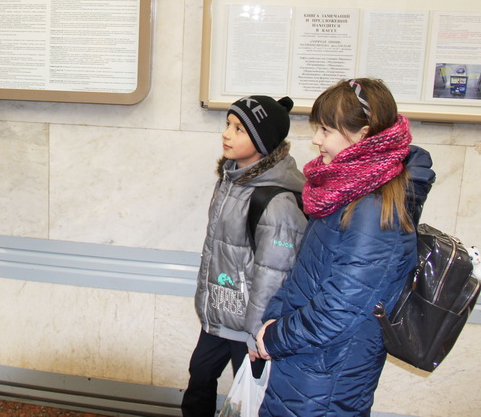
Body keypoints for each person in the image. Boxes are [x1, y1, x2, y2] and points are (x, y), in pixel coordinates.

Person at [256, 78, 436, 416]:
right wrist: (270, 324)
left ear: (363, 134)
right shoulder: (344, 193)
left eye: (326, 130)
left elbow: (340, 310)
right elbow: (305, 275)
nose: (316, 140)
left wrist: (276, 337)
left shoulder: (373, 210)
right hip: (308, 360)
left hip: (328, 374)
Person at [182, 96, 308, 417]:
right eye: (228, 124)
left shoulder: (276, 201)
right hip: (219, 314)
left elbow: (273, 274)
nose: (226, 134)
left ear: (263, 142)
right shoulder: (230, 180)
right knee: (199, 384)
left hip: (249, 326)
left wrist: (256, 333)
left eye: (239, 129)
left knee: (250, 402)